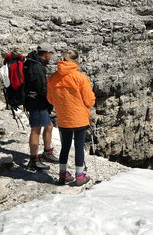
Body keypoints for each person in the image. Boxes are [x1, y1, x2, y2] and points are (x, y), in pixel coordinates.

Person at [47, 49, 96, 186]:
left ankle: (62, 175)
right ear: (76, 60)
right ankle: (79, 176)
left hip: (63, 118)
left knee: (65, 147)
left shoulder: (53, 78)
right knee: (79, 147)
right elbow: (89, 100)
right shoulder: (80, 77)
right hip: (79, 117)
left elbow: (50, 99)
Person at [24, 43, 59, 170]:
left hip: (37, 102)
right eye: (51, 53)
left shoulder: (34, 63)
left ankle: (47, 152)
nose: (52, 56)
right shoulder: (37, 67)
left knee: (48, 126)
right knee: (36, 130)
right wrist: (52, 99)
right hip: (36, 103)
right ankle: (34, 159)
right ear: (46, 53)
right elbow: (41, 88)